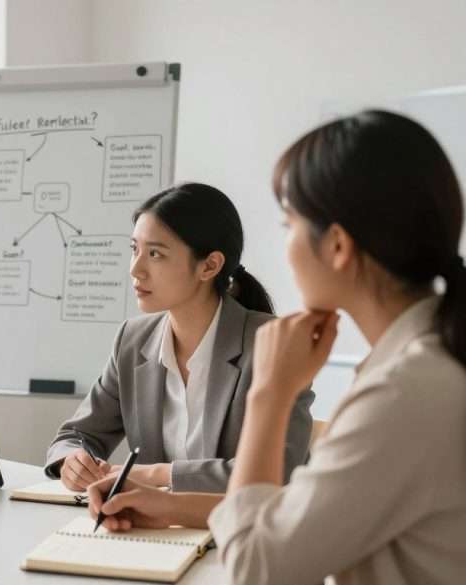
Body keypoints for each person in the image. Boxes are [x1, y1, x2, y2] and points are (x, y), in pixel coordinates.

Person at [87, 110, 466, 584]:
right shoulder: (426, 363)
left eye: (288, 224)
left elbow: (257, 568)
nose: (283, 246)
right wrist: (172, 506)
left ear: (338, 247)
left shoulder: (405, 393)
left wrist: (270, 393)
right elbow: (309, 515)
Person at [46, 183, 315, 493]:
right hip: (154, 532)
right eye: (135, 249)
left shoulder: (275, 343)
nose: (136, 269)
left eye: (155, 254)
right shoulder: (132, 340)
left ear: (209, 265)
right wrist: (73, 461)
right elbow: (75, 437)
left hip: (243, 533)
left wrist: (156, 475)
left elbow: (278, 470)